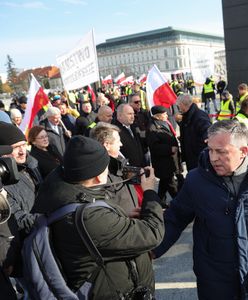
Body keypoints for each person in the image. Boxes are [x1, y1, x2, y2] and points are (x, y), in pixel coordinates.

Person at [32, 135, 164, 299]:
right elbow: (152, 233)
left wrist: (120, 219)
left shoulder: (66, 195)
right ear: (98, 176)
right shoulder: (89, 216)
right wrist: (150, 192)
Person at [153, 119, 248, 300]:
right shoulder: (197, 180)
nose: (213, 158)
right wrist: (150, 249)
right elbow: (175, 217)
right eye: (210, 149)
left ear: (243, 151)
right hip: (214, 280)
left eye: (220, 152)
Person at [91, 122, 139, 214]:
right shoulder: (100, 173)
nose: (121, 144)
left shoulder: (119, 162)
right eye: (118, 141)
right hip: (123, 223)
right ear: (107, 145)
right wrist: (126, 215)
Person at [146, 105, 183, 208]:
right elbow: (154, 147)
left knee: (164, 182)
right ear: (158, 116)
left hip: (171, 160)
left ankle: (159, 201)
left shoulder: (165, 123)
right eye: (164, 114)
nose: (167, 115)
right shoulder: (152, 127)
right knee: (171, 184)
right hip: (163, 162)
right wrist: (169, 149)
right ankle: (179, 203)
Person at [177, 93, 211, 171]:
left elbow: (207, 132)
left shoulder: (199, 116)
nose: (178, 107)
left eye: (179, 105)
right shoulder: (187, 115)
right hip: (191, 156)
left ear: (183, 104)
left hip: (198, 156)